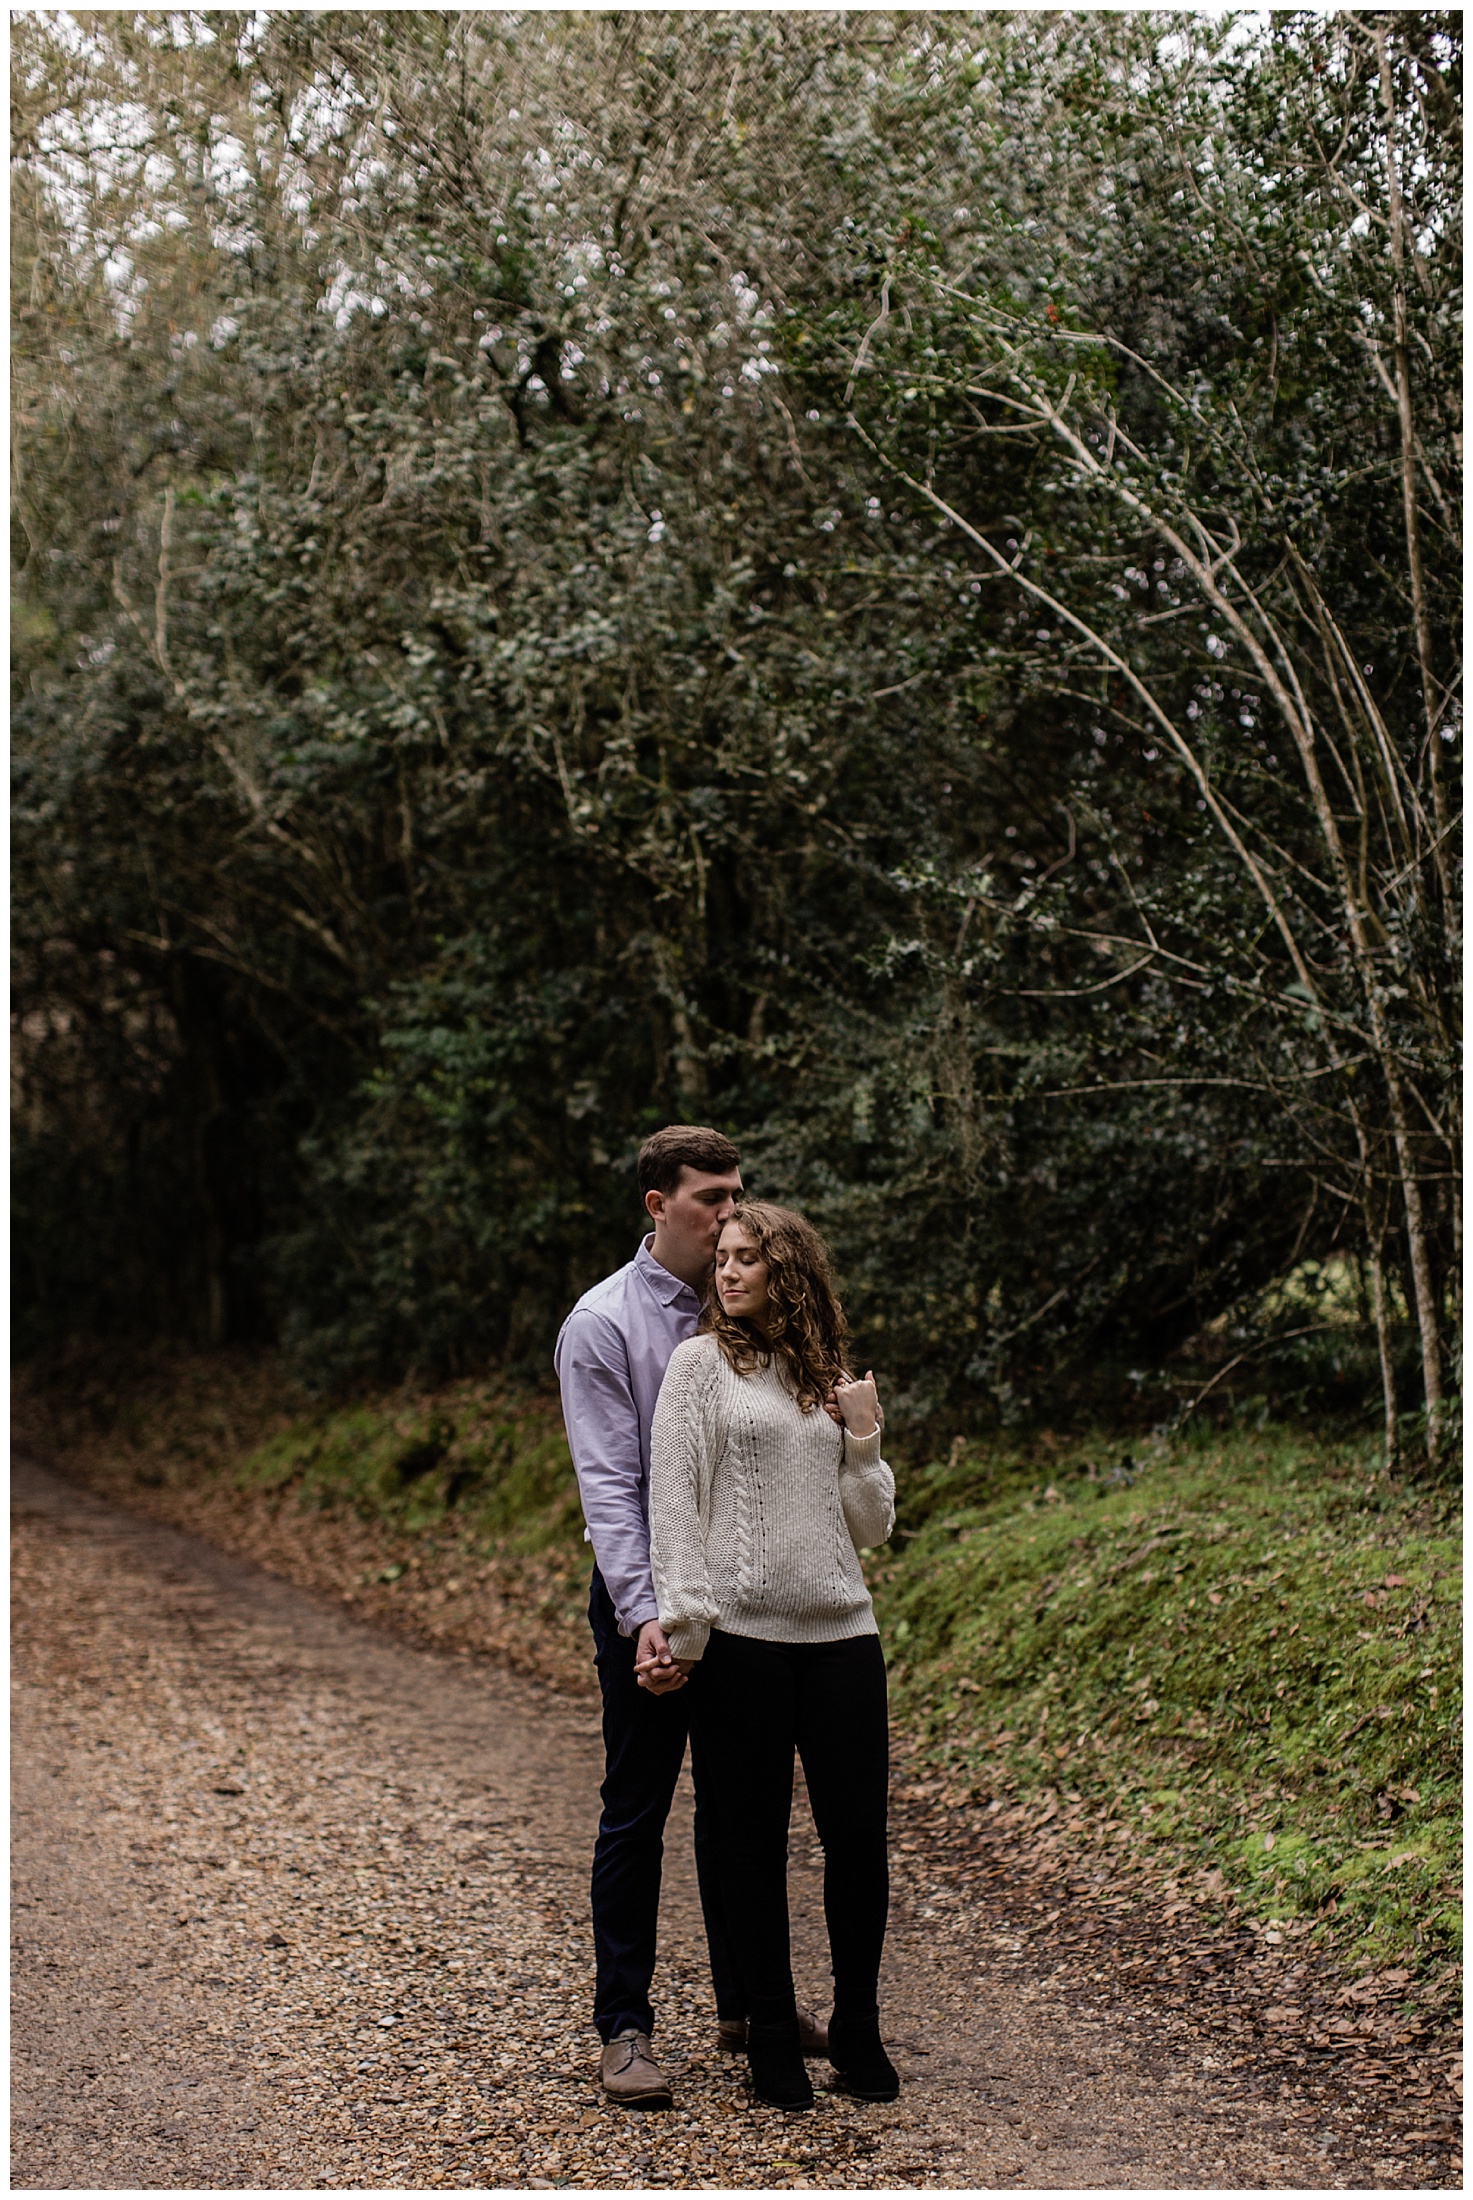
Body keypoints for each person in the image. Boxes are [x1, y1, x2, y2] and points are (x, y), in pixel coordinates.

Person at [554, 1128, 829, 2108]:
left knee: (744, 1806)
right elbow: (611, 1492)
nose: (729, 1214)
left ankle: (749, 2004)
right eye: (710, 1196)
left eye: (737, 1194)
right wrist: (647, 1621)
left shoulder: (751, 1308)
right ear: (655, 1204)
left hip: (747, 1597)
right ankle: (624, 2027)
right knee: (637, 1804)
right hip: (648, 1598)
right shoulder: (604, 1324)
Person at [648, 1200, 900, 2113]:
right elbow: (673, 1507)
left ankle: (859, 2033)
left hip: (842, 1636)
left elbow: (870, 1527)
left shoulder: (826, 1372)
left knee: (857, 1845)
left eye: (748, 1258)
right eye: (721, 1256)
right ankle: (770, 2045)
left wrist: (863, 1434)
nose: (728, 1271)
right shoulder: (698, 1367)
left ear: (786, 1269)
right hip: (743, 1647)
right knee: (751, 1846)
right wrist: (684, 1630)